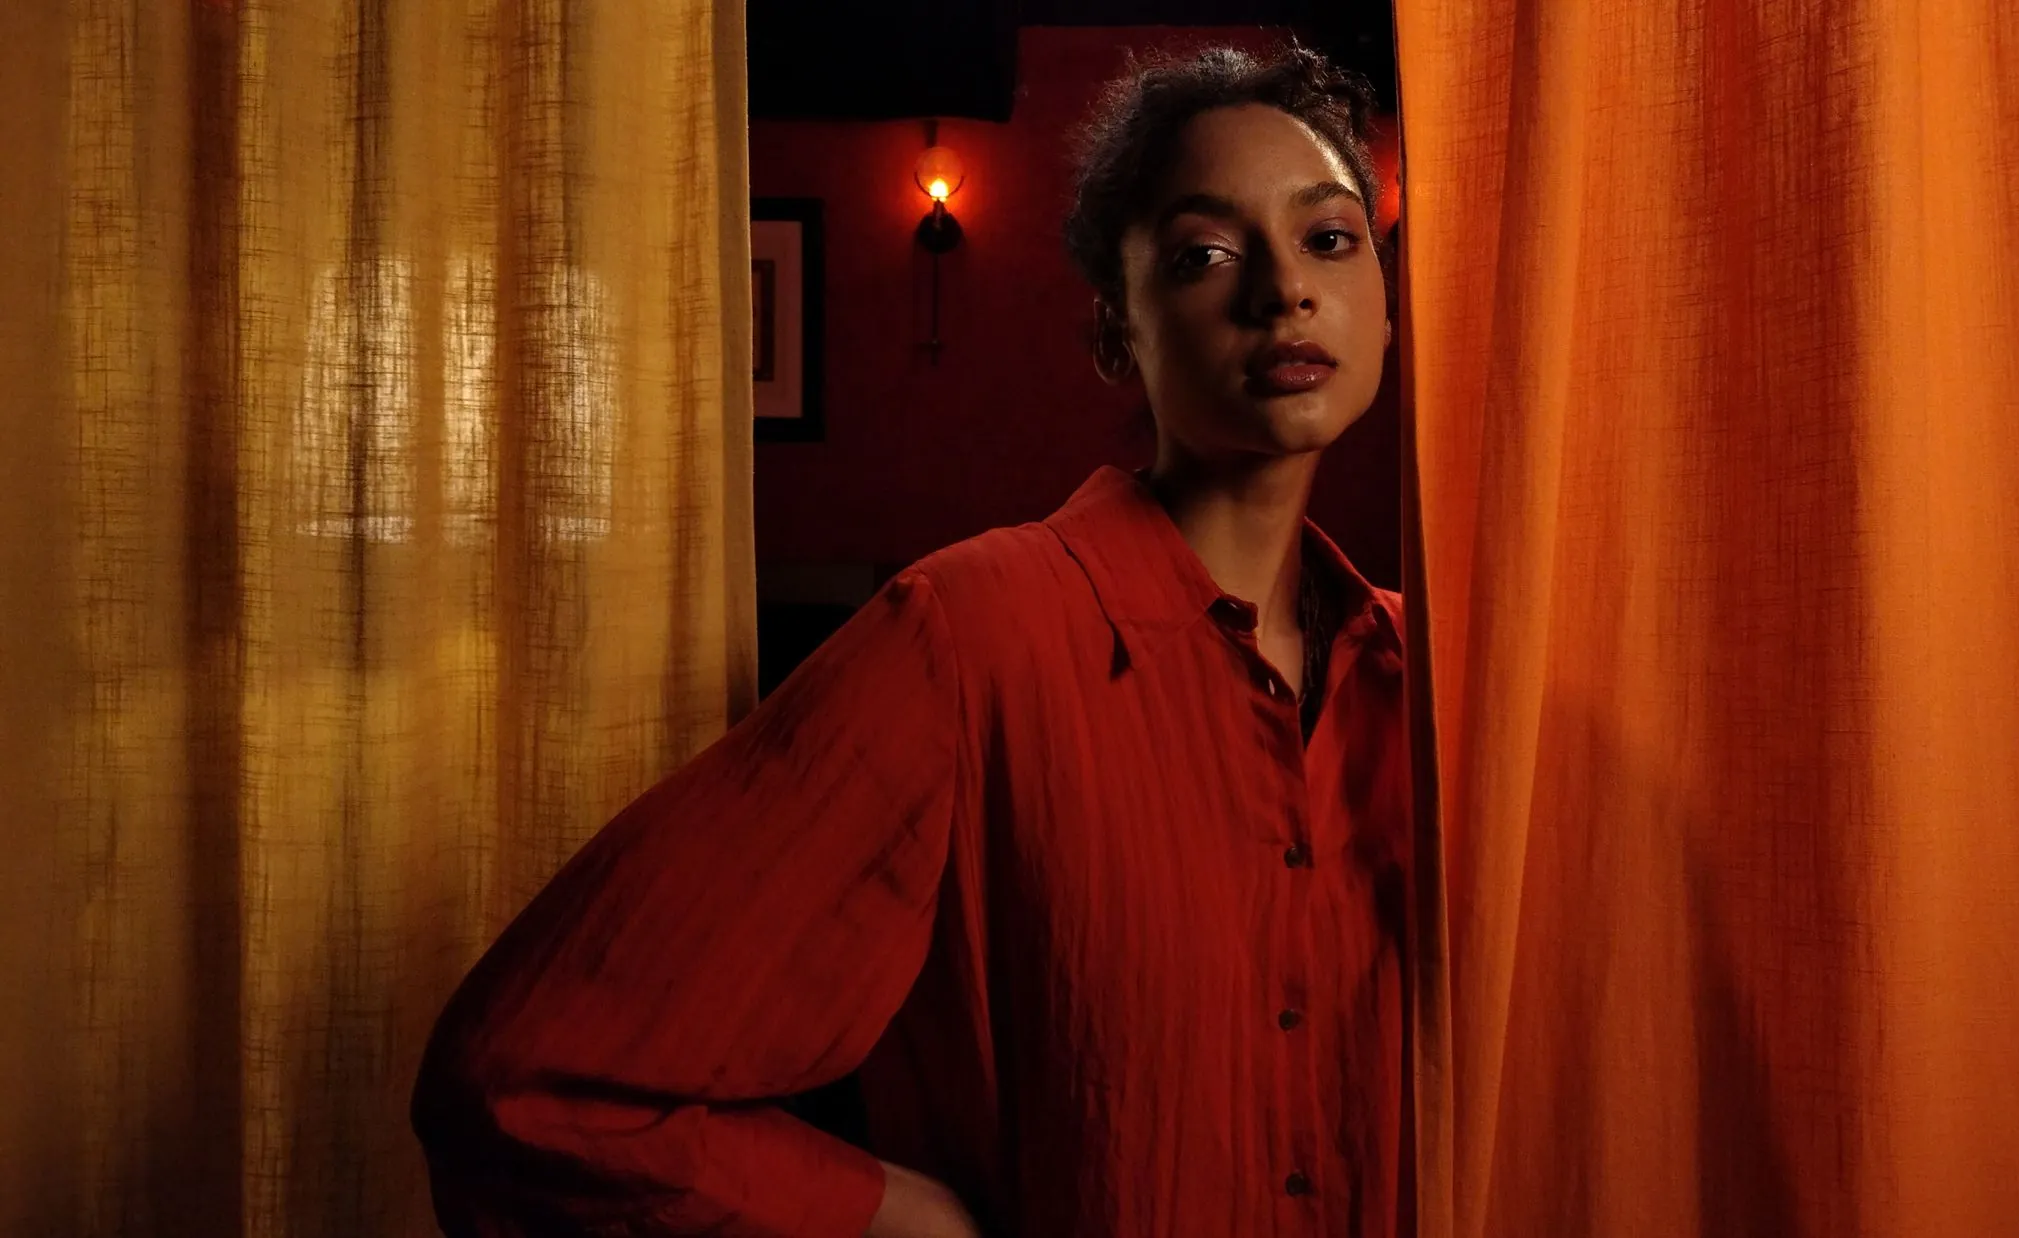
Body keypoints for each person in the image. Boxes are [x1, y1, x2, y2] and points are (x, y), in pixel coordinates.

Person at [411, 42, 1409, 1238]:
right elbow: (531, 1080)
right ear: (1115, 332)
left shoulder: (1441, 685)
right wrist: (893, 1215)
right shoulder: (968, 635)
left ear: (1387, 303)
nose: (1284, 289)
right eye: (1203, 254)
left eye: (1329, 238)